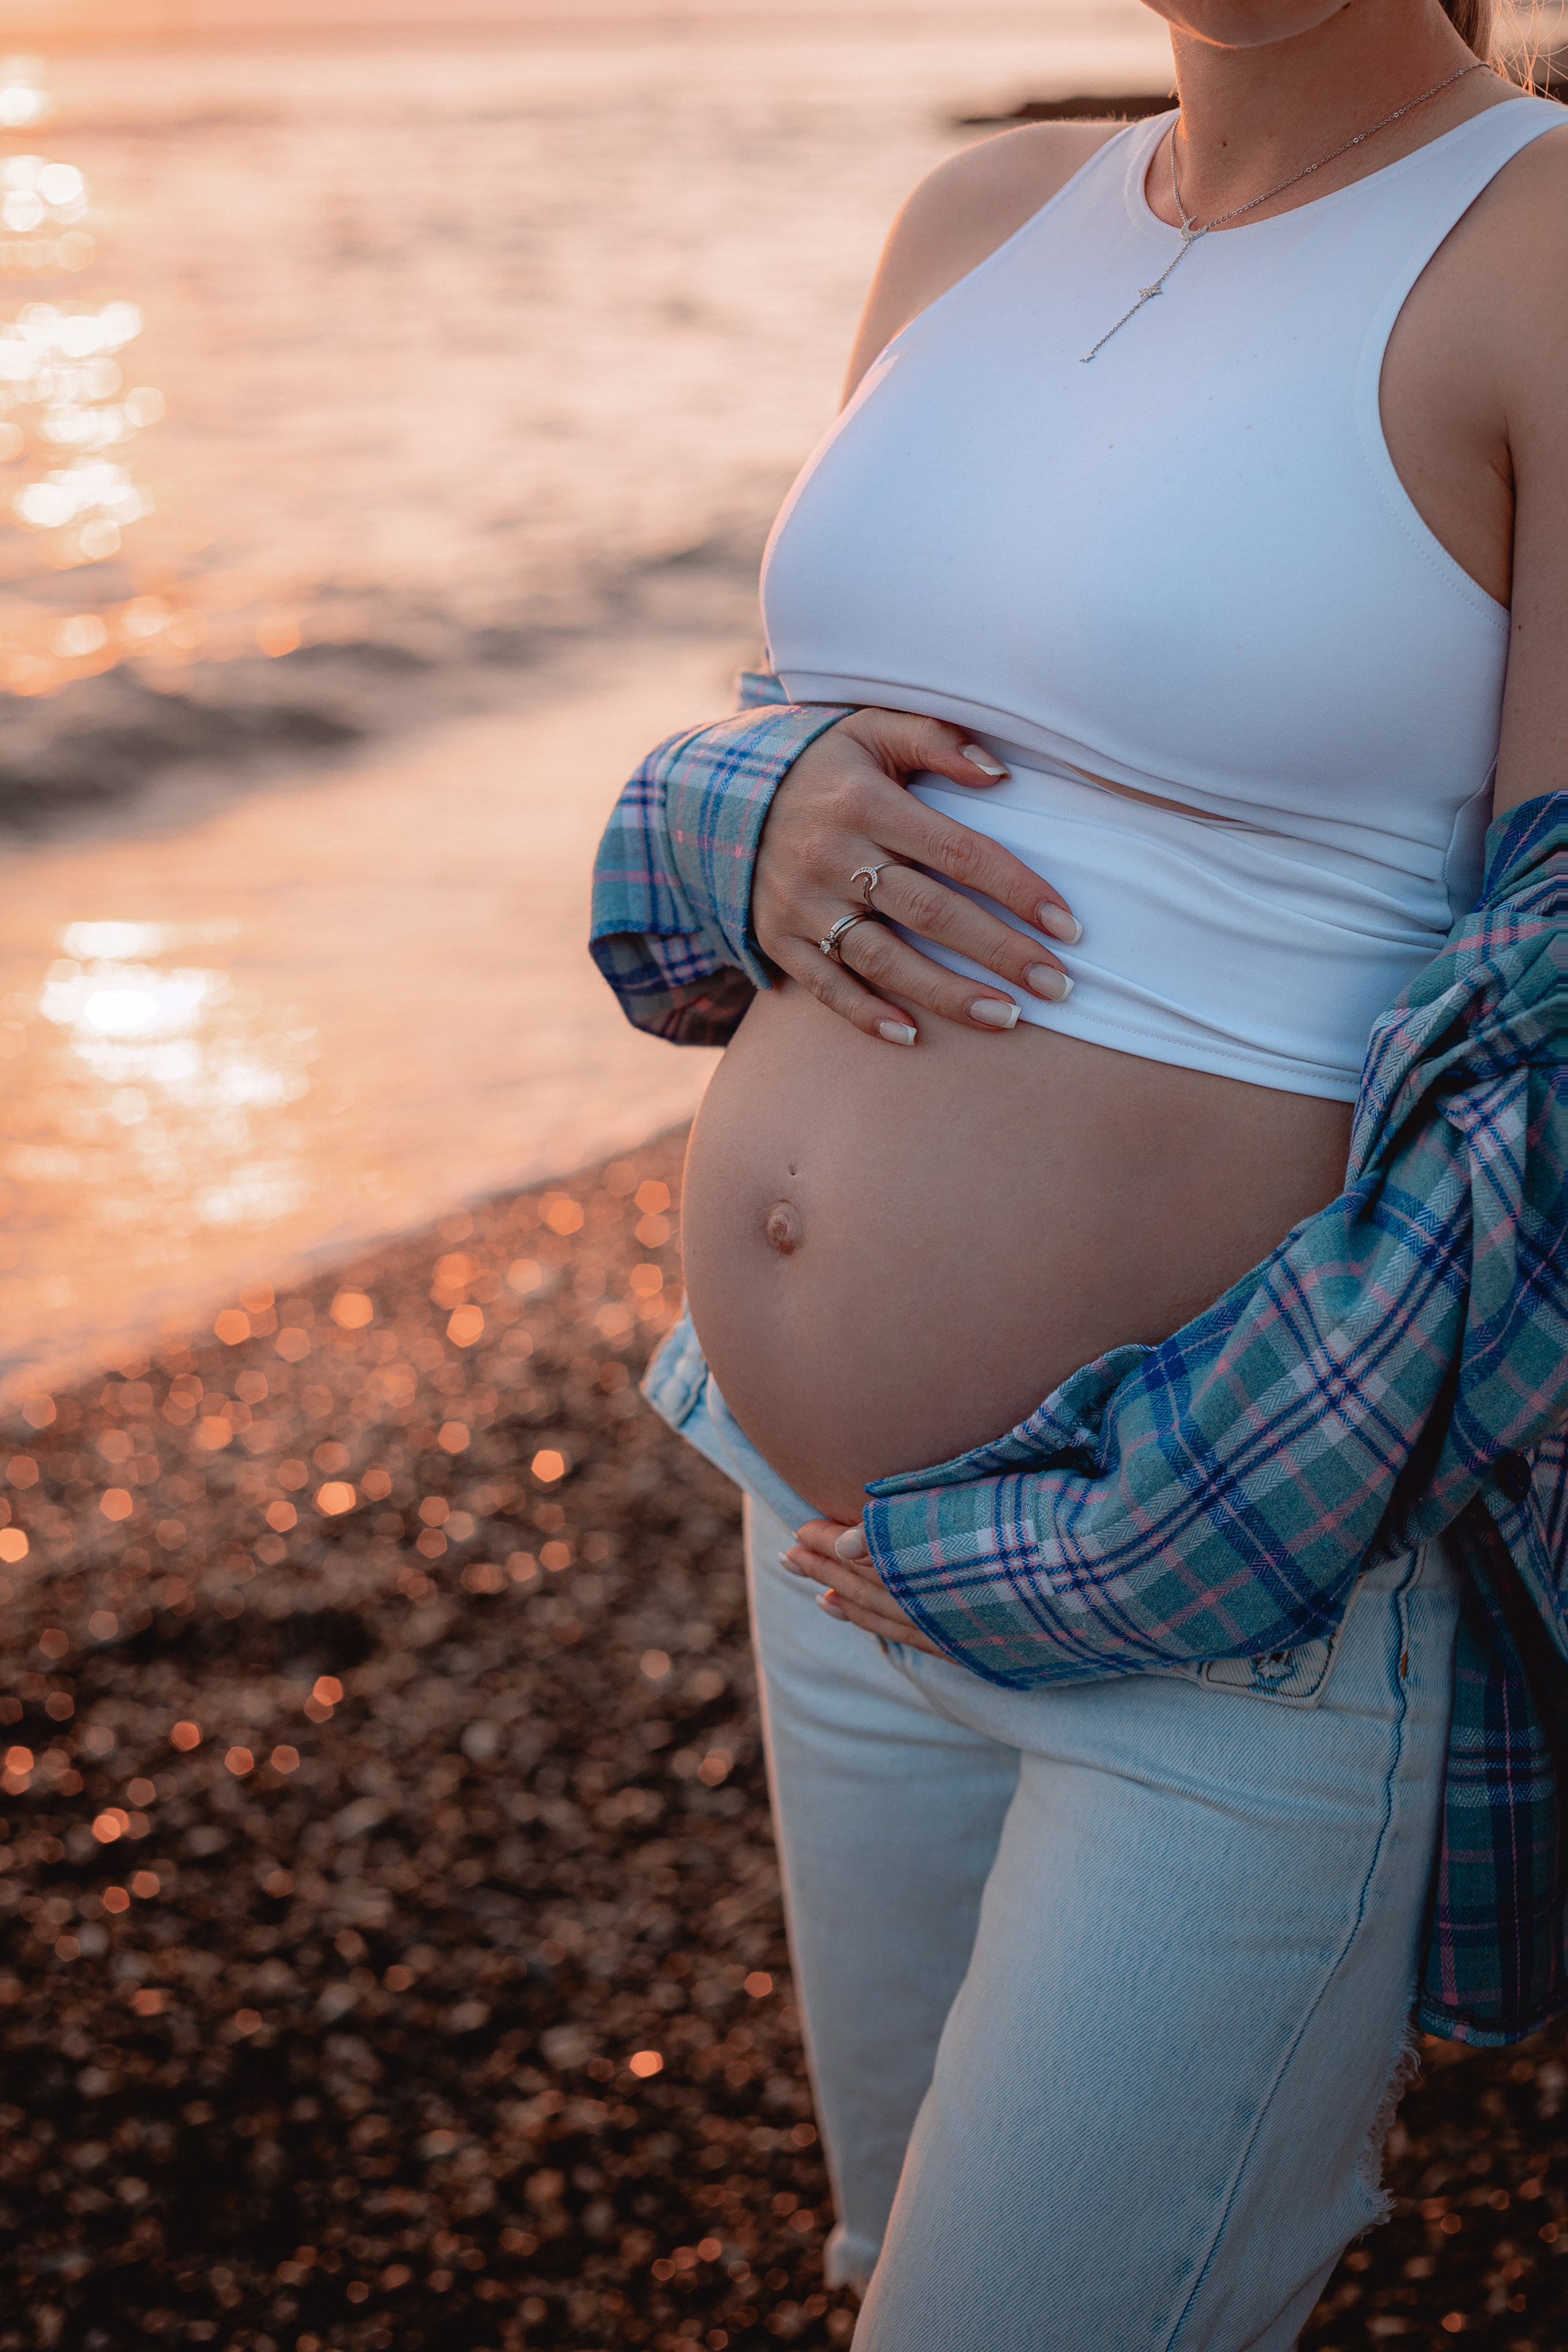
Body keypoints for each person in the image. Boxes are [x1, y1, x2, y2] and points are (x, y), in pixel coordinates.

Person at [590, 0, 1568, 2340]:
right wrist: (732, 813)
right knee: (881, 2267)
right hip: (816, 1542)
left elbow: (1553, 1057)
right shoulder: (971, 219)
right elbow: (826, 739)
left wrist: (1149, 1537)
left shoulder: (1539, 249)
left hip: (1222, 1594)